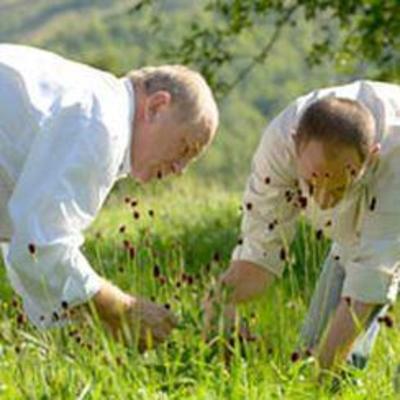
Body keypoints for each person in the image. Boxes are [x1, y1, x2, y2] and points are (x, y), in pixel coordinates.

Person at [0, 44, 219, 350]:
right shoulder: (101, 124)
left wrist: (68, 333)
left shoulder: (94, 102)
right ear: (157, 106)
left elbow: (23, 243)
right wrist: (122, 310)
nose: (180, 169)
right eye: (185, 148)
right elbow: (41, 244)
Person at [204, 80, 400, 371]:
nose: (321, 200)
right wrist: (220, 304)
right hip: (352, 236)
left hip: (392, 201)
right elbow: (259, 257)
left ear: (371, 156)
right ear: (295, 144)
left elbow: (370, 280)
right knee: (310, 352)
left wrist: (319, 381)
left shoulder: (393, 157)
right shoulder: (278, 147)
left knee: (334, 364)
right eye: (311, 183)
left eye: (337, 188)